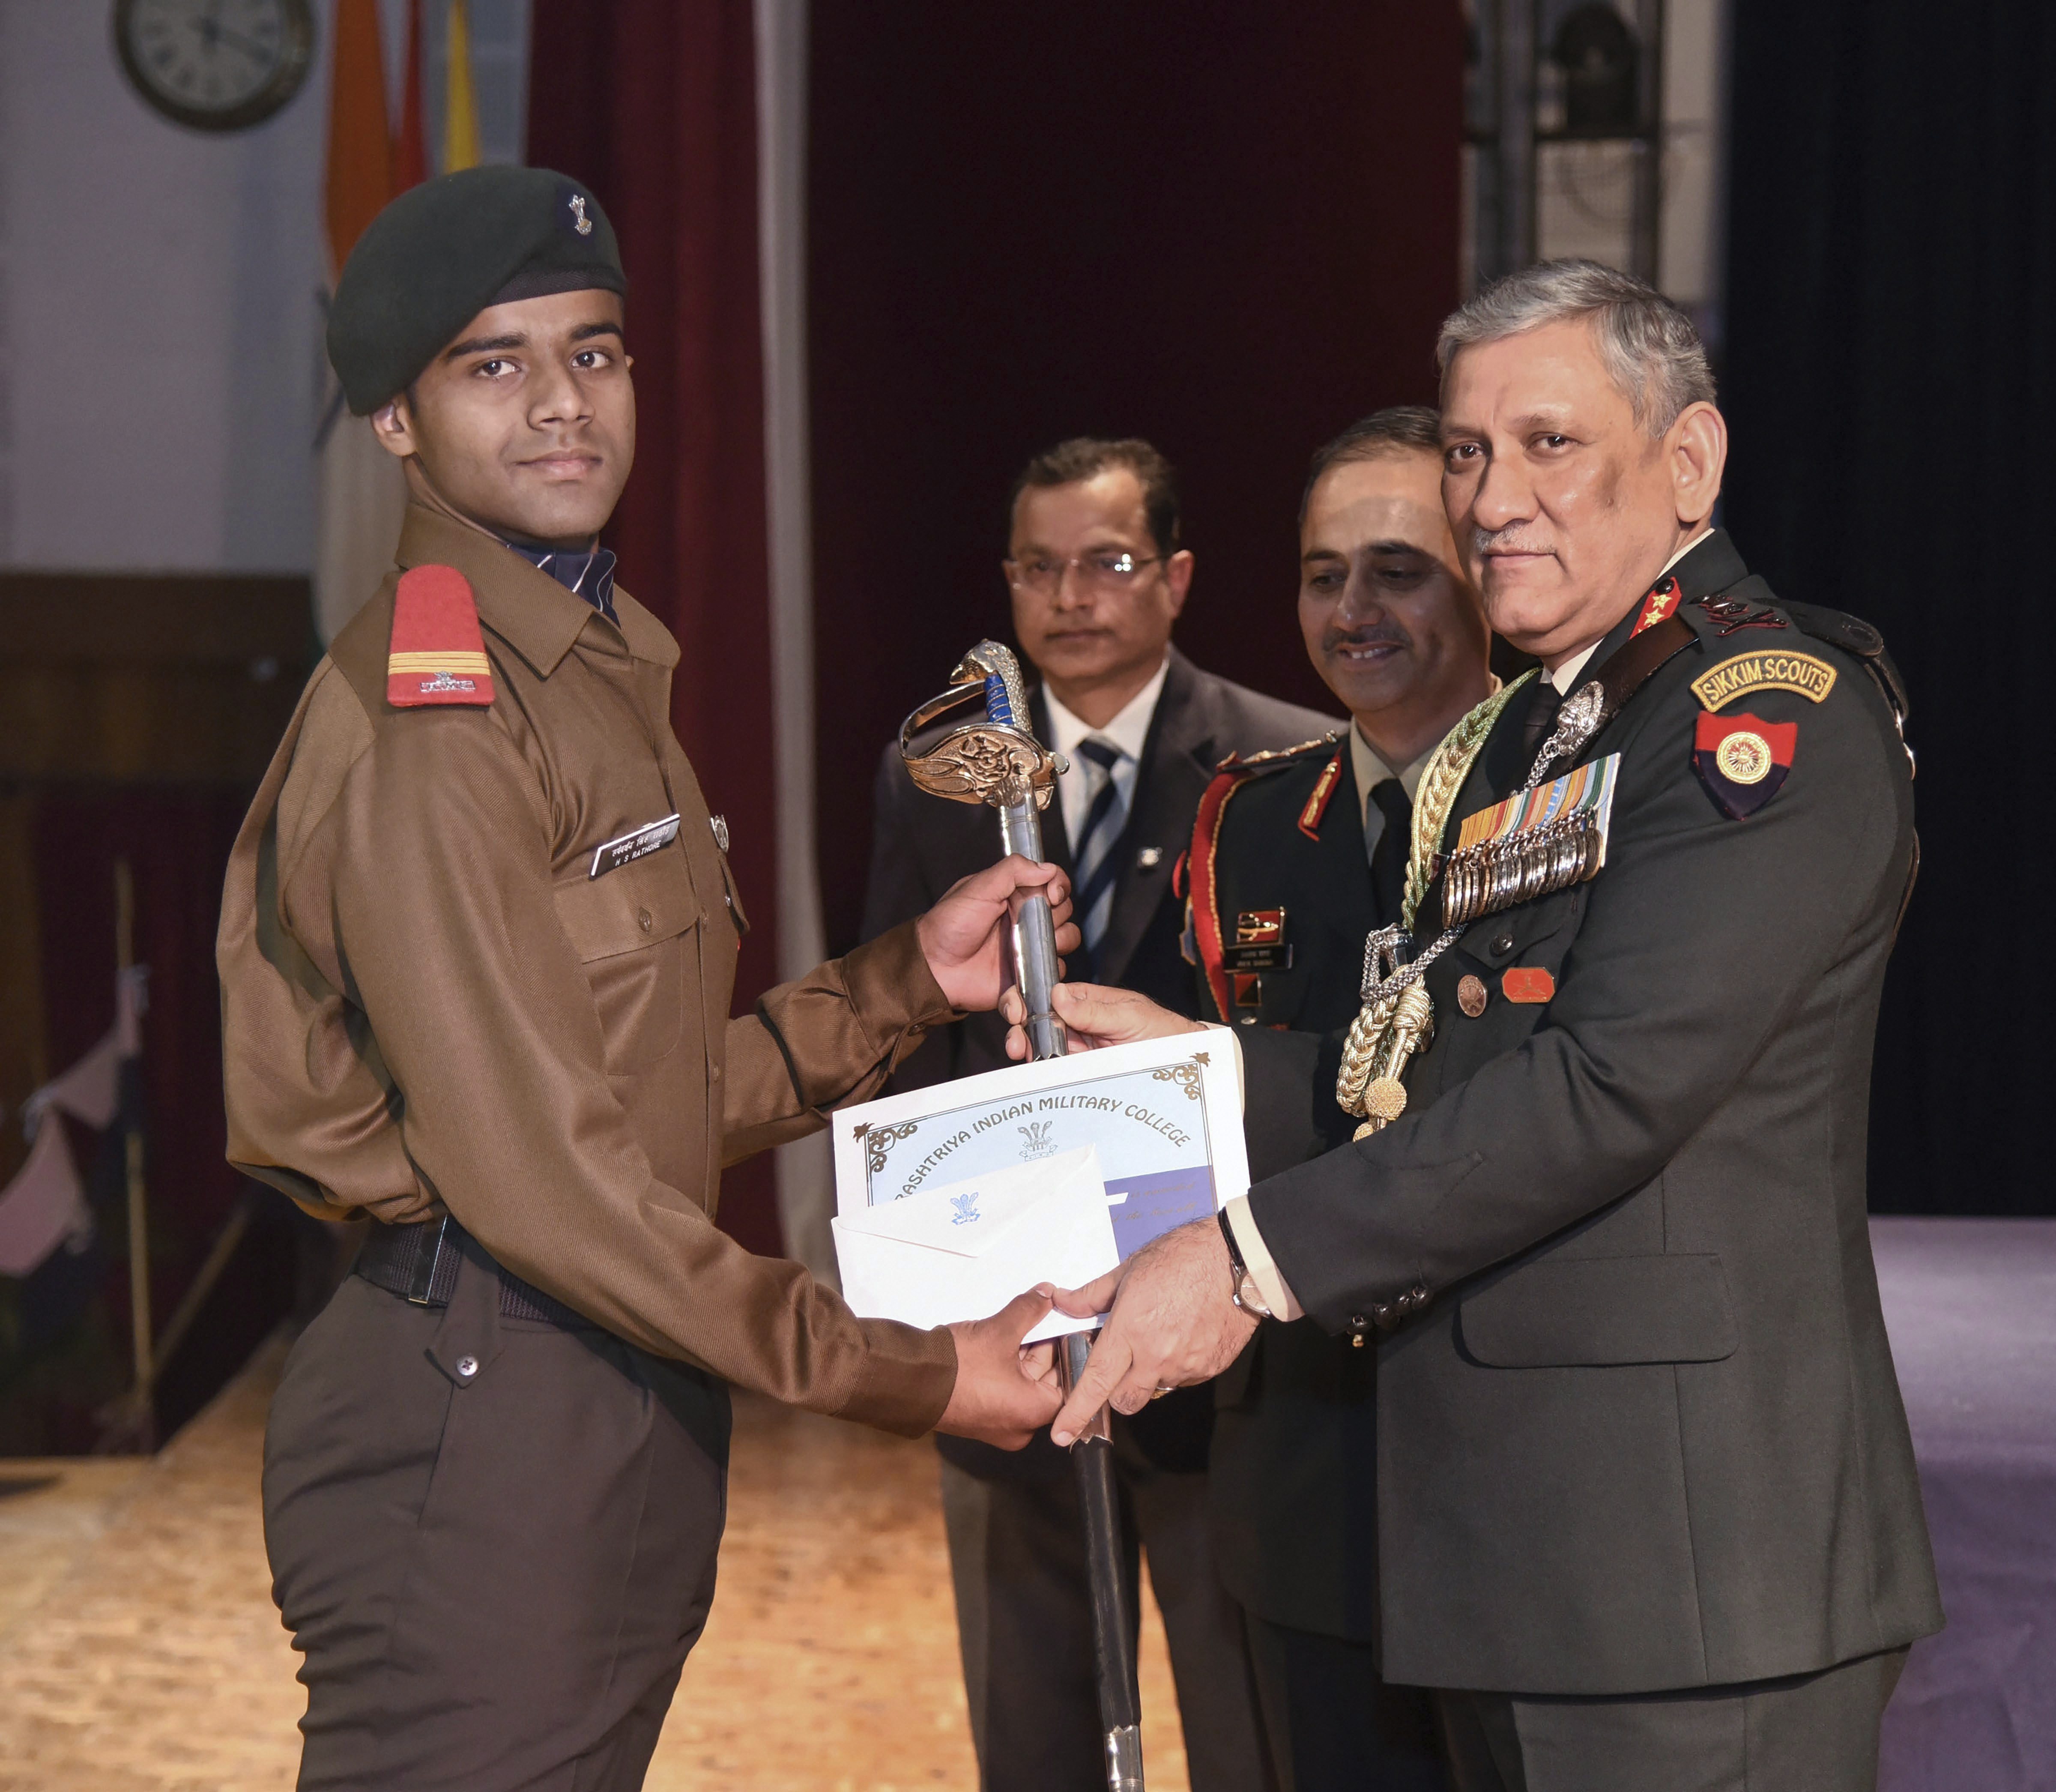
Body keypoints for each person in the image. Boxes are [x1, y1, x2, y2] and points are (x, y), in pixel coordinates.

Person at [1014, 260, 1940, 1792]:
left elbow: (1607, 1090)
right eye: (1468, 450)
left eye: (1549, 444)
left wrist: (1252, 1260)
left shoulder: (1761, 717)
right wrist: (1199, 1070)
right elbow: (1433, 1068)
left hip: (1687, 1586)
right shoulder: (1539, 732)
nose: (1493, 495)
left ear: (1687, 462)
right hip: (1527, 1571)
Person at [215, 166, 1075, 1792]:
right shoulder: (441, 719)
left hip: (599, 1398)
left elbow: (634, 1096)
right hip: (489, 1418)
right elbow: (553, 1184)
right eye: (495, 365)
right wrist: (913, 1369)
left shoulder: (598, 662)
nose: (562, 406)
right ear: (395, 422)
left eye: (594, 354)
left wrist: (901, 983)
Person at [862, 436, 1335, 1792]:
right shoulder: (937, 774)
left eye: (1110, 563)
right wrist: (928, 1292)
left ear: (1176, 578)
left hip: (1212, 1336)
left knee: (1250, 1729)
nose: (1073, 595)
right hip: (1014, 1331)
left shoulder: (1280, 763)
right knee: (1035, 1727)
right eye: (1040, 567)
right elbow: (901, 1040)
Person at [1190, 407, 1491, 1791]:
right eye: (1324, 574)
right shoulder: (1250, 818)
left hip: (1509, 1463)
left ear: (1483, 575)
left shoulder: (1576, 798)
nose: (1354, 610)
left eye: (1399, 568)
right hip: (1302, 1453)